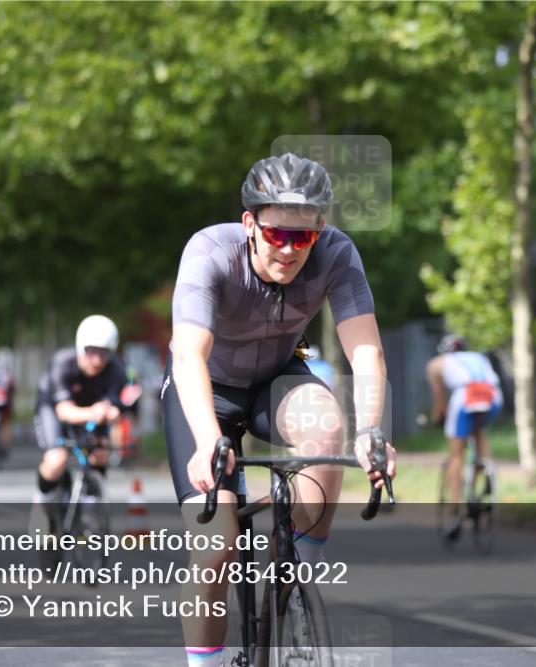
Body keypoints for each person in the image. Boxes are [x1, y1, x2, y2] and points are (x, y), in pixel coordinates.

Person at [163, 152, 396, 666]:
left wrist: (373, 432)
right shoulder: (210, 251)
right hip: (207, 390)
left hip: (275, 378)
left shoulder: (336, 253)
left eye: (303, 237)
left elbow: (365, 350)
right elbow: (188, 355)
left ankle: (295, 578)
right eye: (276, 235)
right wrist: (208, 443)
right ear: (250, 224)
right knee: (215, 546)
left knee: (329, 425)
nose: (290, 250)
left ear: (320, 230)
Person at [32, 315, 129, 505]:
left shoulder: (117, 368)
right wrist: (93, 413)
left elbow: (116, 406)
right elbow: (64, 411)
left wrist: (113, 413)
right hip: (53, 408)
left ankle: (92, 502)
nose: (97, 360)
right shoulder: (63, 363)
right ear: (80, 348)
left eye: (104, 353)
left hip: (91, 412)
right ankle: (42, 500)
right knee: (56, 460)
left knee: (100, 451)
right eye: (90, 352)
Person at [426, 334, 503, 512]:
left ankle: (455, 503)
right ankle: (486, 474)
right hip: (492, 395)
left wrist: (437, 418)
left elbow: (439, 399)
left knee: (456, 453)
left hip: (465, 395)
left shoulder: (436, 363)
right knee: (479, 431)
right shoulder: (479, 357)